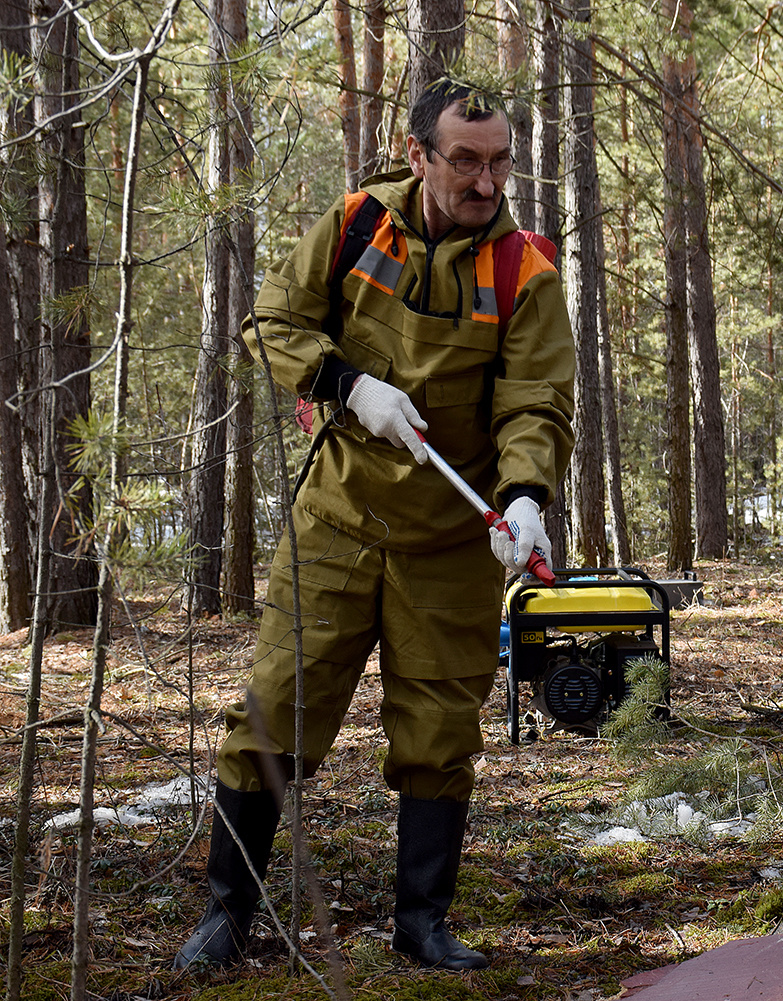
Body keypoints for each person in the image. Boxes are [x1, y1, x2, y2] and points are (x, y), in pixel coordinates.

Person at [174, 79, 576, 972]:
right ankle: (226, 911)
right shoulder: (358, 225)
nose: (486, 181)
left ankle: (421, 923)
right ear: (418, 151)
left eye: (500, 159)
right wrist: (347, 383)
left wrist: (523, 499)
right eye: (465, 160)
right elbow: (274, 319)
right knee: (276, 710)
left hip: (449, 544)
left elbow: (536, 403)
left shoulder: (524, 272)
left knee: (438, 736)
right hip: (338, 520)